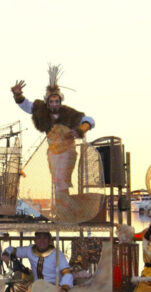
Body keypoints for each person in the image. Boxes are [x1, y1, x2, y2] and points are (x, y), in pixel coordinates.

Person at [11, 65, 94, 197]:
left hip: (67, 151)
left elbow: (89, 120)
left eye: (57, 101)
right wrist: (17, 94)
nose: (54, 104)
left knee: (62, 181)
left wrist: (80, 130)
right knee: (56, 182)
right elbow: (26, 105)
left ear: (60, 102)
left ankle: (64, 207)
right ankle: (60, 208)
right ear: (47, 102)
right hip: (53, 152)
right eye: (51, 101)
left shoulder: (69, 113)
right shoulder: (41, 110)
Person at [0, 232, 73, 292]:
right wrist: (6, 253)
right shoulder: (30, 250)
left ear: (49, 240)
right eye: (39, 238)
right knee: (16, 286)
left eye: (45, 238)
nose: (41, 241)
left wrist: (64, 290)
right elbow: (13, 250)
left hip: (52, 286)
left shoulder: (57, 254)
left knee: (30, 291)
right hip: (37, 285)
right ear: (35, 240)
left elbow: (67, 273)